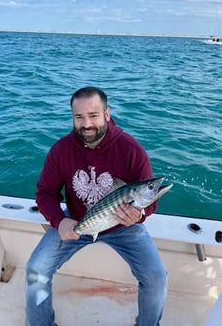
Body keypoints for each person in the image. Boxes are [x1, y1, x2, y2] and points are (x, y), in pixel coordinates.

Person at [25, 86, 167, 326]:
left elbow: (148, 200)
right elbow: (45, 193)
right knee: (35, 270)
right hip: (78, 220)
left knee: (156, 278)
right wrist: (59, 222)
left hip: (124, 226)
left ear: (107, 115)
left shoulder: (132, 151)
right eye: (79, 117)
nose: (86, 124)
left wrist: (139, 214)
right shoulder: (61, 150)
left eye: (93, 115)